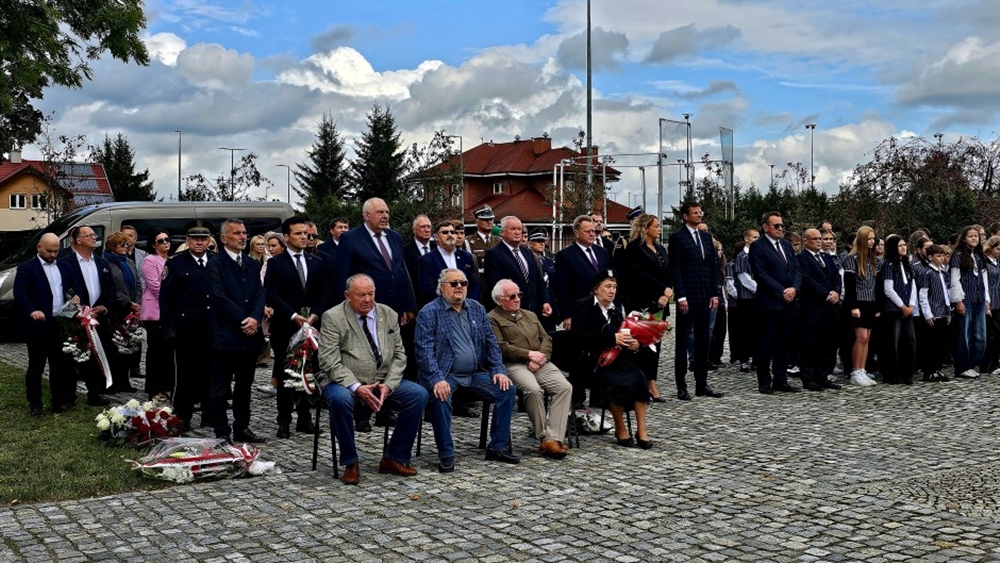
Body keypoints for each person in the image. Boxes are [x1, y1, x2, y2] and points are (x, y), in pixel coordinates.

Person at [319, 274, 429, 484]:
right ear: (347, 295)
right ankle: (350, 462)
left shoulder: (388, 313)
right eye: (361, 295)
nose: (368, 299)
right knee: (340, 400)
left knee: (418, 394)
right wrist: (356, 386)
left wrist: (389, 385)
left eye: (371, 294)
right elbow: (329, 361)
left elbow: (400, 355)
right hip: (344, 382)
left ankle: (394, 457)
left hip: (382, 380)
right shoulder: (333, 317)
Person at [415, 268, 520, 472]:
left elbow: (491, 343)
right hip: (446, 375)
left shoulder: (476, 308)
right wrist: (437, 379)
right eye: (453, 283)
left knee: (506, 389)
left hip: (474, 374)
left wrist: (498, 370)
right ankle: (446, 453)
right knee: (441, 396)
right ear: (442, 287)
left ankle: (497, 447)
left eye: (463, 283)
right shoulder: (429, 312)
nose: (459, 287)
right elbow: (424, 352)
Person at [487, 279, 572, 459]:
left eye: (519, 295)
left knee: (564, 387)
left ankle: (553, 438)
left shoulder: (529, 315)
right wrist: (528, 355)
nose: (517, 299)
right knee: (533, 390)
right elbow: (500, 346)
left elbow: (546, 338)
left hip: (540, 362)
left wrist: (541, 357)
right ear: (499, 300)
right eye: (512, 296)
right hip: (513, 364)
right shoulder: (492, 318)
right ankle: (543, 436)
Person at [264, 216, 330, 438]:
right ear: (286, 237)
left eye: (307, 234)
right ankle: (284, 421)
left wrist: (314, 314)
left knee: (308, 371)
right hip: (285, 326)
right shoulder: (276, 263)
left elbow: (325, 292)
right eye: (299, 233)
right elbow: (271, 293)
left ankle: (305, 418)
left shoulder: (317, 262)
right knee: (287, 373)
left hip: (311, 326)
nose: (304, 237)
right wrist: (293, 315)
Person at [571, 270, 653, 449]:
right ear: (596, 289)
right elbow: (580, 338)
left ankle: (641, 429)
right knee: (617, 383)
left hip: (616, 361)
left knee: (639, 377)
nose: (612, 291)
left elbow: (624, 334)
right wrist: (612, 339)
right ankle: (620, 427)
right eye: (608, 286)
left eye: (614, 287)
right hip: (591, 363)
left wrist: (634, 344)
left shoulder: (616, 310)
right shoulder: (582, 307)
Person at [206, 219, 267, 444]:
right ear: (224, 238)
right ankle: (221, 430)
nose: (243, 237)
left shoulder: (251, 263)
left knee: (244, 386)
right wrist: (243, 320)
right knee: (221, 387)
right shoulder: (215, 264)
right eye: (236, 233)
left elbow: (260, 292)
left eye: (244, 233)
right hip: (227, 334)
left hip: (250, 336)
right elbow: (218, 296)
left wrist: (256, 318)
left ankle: (242, 427)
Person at [160, 221, 216, 431]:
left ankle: (210, 414)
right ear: (187, 240)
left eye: (203, 239)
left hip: (212, 327)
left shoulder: (217, 261)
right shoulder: (176, 263)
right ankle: (183, 416)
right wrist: (168, 327)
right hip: (186, 328)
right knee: (186, 375)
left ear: (209, 241)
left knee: (211, 372)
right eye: (195, 239)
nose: (199, 242)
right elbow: (165, 298)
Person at [14, 233, 75, 415]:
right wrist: (31, 310)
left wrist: (75, 297)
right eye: (49, 251)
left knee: (59, 366)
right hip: (38, 325)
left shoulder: (65, 267)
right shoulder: (27, 268)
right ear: (39, 247)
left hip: (59, 322)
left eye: (56, 251)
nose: (53, 254)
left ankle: (58, 402)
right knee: (36, 366)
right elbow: (20, 292)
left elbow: (73, 288)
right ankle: (35, 404)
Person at [667, 202, 722, 400]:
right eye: (695, 213)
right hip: (687, 297)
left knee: (703, 340)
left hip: (705, 296)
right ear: (685, 216)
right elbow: (676, 268)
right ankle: (681, 385)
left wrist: (714, 293)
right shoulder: (677, 237)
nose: (699, 215)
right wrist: (680, 295)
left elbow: (713, 266)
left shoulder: (706, 237)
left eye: (700, 212)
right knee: (683, 341)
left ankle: (702, 383)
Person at [334, 198, 416, 325]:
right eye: (380, 212)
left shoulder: (395, 237)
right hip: (366, 308)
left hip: (396, 310)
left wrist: (409, 305)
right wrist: (347, 312)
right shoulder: (350, 239)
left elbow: (402, 271)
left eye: (387, 212)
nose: (385, 216)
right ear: (366, 215)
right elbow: (342, 277)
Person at [59, 225, 115, 406]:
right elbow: (62, 290)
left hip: (97, 318)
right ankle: (68, 395)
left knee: (97, 354)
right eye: (89, 235)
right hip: (75, 318)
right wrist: (76, 309)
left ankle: (95, 393)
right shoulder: (65, 263)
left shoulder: (102, 263)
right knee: (73, 355)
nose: (94, 237)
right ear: (78, 240)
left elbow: (111, 289)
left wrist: (103, 307)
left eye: (94, 235)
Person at [621, 213, 672, 401]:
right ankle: (640, 383)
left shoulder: (660, 249)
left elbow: (668, 272)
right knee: (641, 345)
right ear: (645, 228)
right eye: (656, 226)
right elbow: (639, 274)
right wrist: (660, 290)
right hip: (642, 301)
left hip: (661, 303)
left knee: (655, 344)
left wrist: (666, 292)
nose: (659, 229)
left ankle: (652, 382)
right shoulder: (635, 248)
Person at [749, 212, 802, 394]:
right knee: (766, 342)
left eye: (782, 225)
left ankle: (781, 379)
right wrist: (781, 291)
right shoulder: (758, 246)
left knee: (784, 342)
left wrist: (794, 288)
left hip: (789, 302)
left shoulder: (786, 245)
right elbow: (760, 273)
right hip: (769, 302)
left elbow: (796, 270)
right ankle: (764, 381)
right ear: (765, 227)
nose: (780, 229)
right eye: (776, 226)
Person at [796, 228, 843, 391]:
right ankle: (808, 378)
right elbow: (806, 279)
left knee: (827, 343)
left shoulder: (826, 257)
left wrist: (836, 291)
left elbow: (836, 276)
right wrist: (825, 294)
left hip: (829, 308)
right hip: (812, 307)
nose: (818, 241)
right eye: (814, 239)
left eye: (819, 238)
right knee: (810, 343)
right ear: (806, 240)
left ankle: (823, 376)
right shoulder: (802, 258)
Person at [483, 216, 552, 320]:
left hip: (533, 312)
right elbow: (495, 285)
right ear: (502, 232)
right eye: (513, 229)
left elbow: (539, 280)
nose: (517, 232)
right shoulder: (494, 254)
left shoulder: (528, 253)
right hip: (510, 313)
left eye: (519, 229)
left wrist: (545, 301)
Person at [950, 225, 990, 379]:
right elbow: (955, 280)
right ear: (964, 239)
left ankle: (972, 363)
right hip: (965, 298)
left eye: (976, 236)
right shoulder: (958, 256)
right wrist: (958, 300)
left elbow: (984, 279)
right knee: (964, 334)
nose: (974, 238)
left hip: (979, 298)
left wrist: (987, 299)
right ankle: (962, 366)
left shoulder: (979, 255)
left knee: (980, 336)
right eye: (970, 236)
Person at [104, 231, 142, 393]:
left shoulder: (129, 262)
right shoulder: (106, 263)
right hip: (116, 310)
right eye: (122, 244)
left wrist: (137, 302)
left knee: (129, 345)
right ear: (113, 246)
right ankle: (112, 382)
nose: (126, 247)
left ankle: (125, 381)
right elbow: (110, 288)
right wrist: (128, 303)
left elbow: (138, 283)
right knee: (115, 347)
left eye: (127, 244)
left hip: (132, 310)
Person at [842, 226, 879, 386]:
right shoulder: (851, 259)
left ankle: (862, 369)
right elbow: (850, 285)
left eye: (873, 239)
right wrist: (853, 306)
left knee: (867, 338)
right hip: (858, 302)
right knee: (861, 337)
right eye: (869, 239)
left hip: (870, 302)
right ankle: (855, 371)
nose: (872, 241)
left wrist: (876, 306)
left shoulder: (872, 259)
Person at [879, 234, 917, 385]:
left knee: (909, 341)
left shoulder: (907, 265)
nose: (903, 248)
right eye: (900, 246)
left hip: (907, 307)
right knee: (892, 342)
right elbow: (888, 289)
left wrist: (911, 305)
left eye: (904, 245)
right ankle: (892, 374)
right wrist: (902, 306)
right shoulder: (888, 265)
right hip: (893, 309)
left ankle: (907, 373)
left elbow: (913, 285)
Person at [141, 229, 174, 401]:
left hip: (169, 312)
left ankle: (168, 386)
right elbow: (155, 286)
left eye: (167, 239)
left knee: (168, 352)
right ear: (154, 245)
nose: (165, 243)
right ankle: (154, 388)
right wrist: (176, 295)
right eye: (160, 241)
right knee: (156, 351)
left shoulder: (172, 260)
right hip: (154, 311)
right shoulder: (150, 260)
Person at [417, 220, 481, 308]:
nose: (450, 234)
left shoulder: (467, 257)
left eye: (452, 232)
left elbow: (475, 283)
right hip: (440, 308)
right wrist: (450, 304)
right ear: (436, 237)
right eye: (445, 232)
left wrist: (467, 303)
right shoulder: (426, 260)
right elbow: (428, 289)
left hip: (467, 307)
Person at [917, 244, 952, 382]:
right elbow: (923, 295)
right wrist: (927, 313)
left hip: (944, 311)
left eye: (942, 255)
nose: (941, 258)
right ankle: (930, 371)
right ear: (931, 257)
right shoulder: (927, 273)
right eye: (938, 256)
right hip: (933, 313)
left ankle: (938, 369)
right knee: (932, 344)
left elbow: (946, 293)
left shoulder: (943, 273)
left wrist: (949, 311)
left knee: (942, 343)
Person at [732, 229, 760, 372]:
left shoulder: (760, 255)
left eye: (758, 237)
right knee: (744, 330)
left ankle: (756, 359)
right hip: (746, 297)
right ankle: (744, 360)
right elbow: (744, 279)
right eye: (754, 237)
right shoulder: (742, 256)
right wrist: (760, 289)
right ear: (746, 239)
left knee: (757, 330)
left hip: (758, 299)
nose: (757, 240)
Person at [526, 227, 558, 332]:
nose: (542, 244)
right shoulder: (527, 261)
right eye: (538, 241)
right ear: (530, 244)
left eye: (543, 241)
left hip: (550, 302)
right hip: (536, 303)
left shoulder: (548, 261)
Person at [981, 236, 1000, 375]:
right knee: (992, 333)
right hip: (991, 300)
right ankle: (988, 364)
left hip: (998, 299)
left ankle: (995, 361)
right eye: (997, 249)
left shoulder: (997, 262)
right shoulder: (985, 264)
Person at [467, 205, 500, 273]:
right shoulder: (468, 241)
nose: (489, 222)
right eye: (485, 220)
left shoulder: (499, 241)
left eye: (491, 219)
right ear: (477, 221)